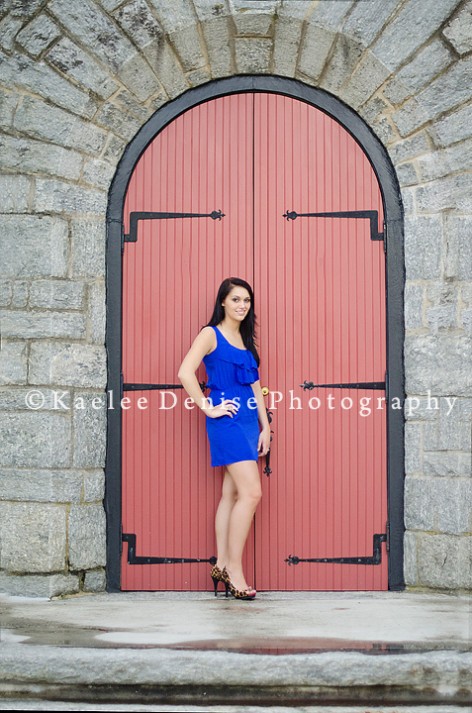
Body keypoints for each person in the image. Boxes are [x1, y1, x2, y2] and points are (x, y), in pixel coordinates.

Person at [178, 277, 271, 600]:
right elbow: (185, 372)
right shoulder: (210, 334)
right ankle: (234, 569)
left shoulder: (245, 339)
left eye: (246, 300)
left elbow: (255, 387)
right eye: (236, 299)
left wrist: (266, 427)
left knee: (231, 495)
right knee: (252, 493)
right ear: (222, 302)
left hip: (248, 421)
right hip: (227, 421)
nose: (242, 305)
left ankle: (220, 564)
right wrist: (207, 407)